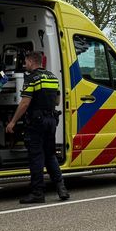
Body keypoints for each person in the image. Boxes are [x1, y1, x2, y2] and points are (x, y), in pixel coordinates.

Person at [7, 50, 69, 204]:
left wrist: (13, 122)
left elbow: (25, 103)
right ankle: (62, 189)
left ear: (31, 62)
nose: (24, 65)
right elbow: (57, 101)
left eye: (26, 62)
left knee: (36, 157)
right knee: (50, 155)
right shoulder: (53, 77)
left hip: (37, 122)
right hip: (51, 121)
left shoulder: (31, 78)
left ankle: (37, 193)